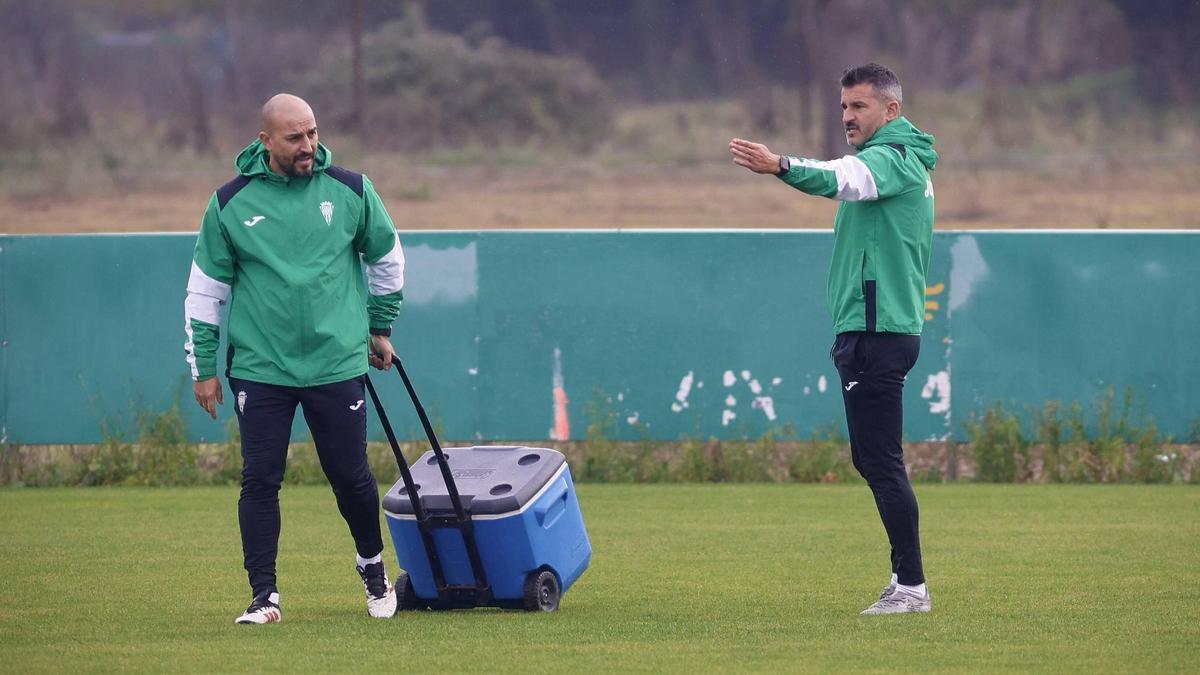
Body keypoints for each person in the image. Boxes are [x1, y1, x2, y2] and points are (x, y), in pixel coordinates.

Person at [184, 93, 406, 624]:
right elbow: (205, 290)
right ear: (265, 141)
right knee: (260, 478)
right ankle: (264, 597)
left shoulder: (351, 189)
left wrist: (379, 327)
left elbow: (387, 258)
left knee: (350, 476)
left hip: (336, 363)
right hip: (261, 368)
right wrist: (205, 369)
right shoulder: (230, 202)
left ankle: (374, 574)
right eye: (295, 137)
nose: (309, 145)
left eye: (312, 133)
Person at [729, 63, 937, 615]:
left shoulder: (895, 160)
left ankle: (911, 587)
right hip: (870, 329)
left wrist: (781, 165)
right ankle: (908, 583)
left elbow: (842, 178)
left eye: (859, 107)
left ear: (891, 111)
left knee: (881, 460)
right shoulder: (892, 159)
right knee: (872, 460)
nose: (847, 116)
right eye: (844, 107)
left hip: (878, 330)